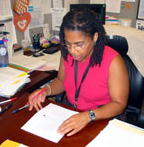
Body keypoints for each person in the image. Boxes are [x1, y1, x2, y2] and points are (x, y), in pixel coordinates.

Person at [28, 8, 129, 137]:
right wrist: (46, 90)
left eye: (79, 45)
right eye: (68, 44)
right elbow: (61, 81)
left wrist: (88, 116)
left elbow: (119, 104)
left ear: (95, 37)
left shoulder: (113, 62)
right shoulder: (67, 53)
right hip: (72, 111)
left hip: (102, 117)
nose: (72, 51)